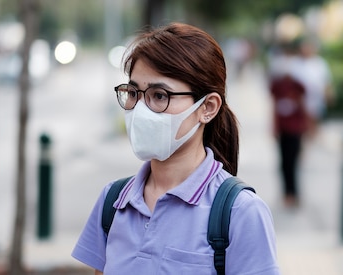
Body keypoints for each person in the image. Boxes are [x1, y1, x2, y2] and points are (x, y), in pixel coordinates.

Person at [72, 22, 280, 274]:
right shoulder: (113, 201)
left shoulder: (241, 212)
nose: (140, 109)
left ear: (208, 107)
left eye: (159, 95)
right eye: (134, 93)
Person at [268, 43, 310, 207]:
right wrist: (273, 126)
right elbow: (273, 106)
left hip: (296, 128)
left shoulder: (298, 85)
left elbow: (302, 105)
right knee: (283, 162)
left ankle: (294, 193)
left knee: (294, 161)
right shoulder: (277, 86)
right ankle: (286, 193)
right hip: (283, 128)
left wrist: (306, 126)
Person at [297, 39, 334, 137]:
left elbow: (326, 80)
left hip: (317, 97)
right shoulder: (296, 63)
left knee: (315, 118)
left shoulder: (320, 63)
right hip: (302, 98)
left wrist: (329, 94)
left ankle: (314, 136)